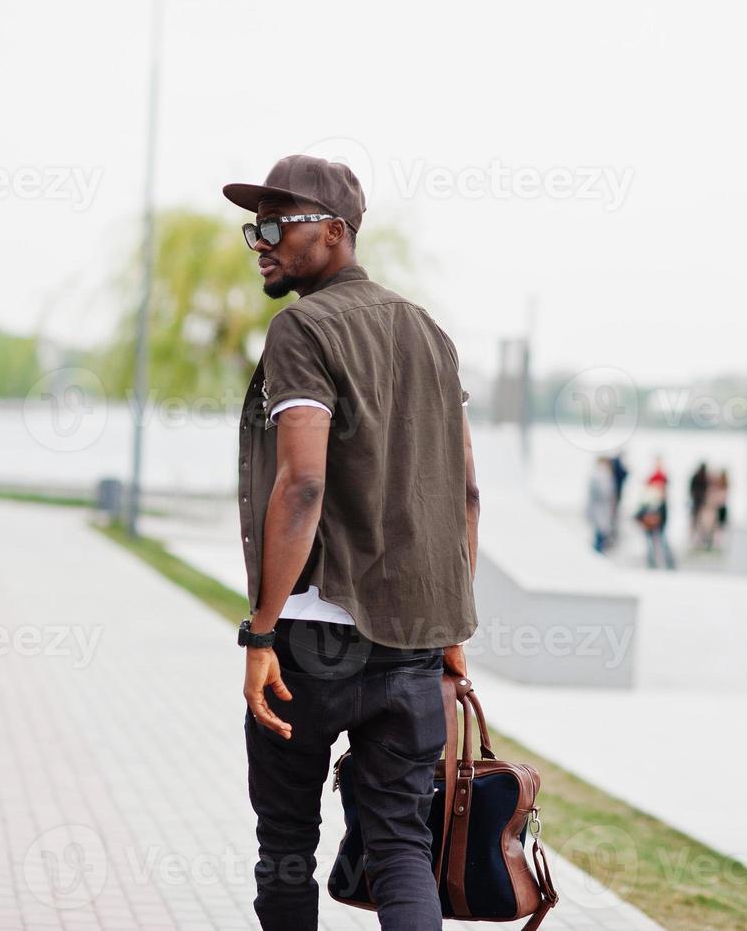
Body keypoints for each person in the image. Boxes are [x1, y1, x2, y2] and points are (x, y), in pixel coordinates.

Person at [226, 155, 478, 931]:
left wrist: (260, 633)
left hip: (313, 637)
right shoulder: (428, 331)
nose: (260, 242)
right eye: (252, 227)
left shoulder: (302, 327)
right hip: (410, 640)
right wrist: (452, 633)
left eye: (277, 224)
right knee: (402, 844)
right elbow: (464, 492)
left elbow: (301, 484)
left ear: (335, 232)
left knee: (287, 844)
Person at [634, 456, 676, 569]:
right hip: (651, 517)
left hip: (659, 516)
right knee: (653, 541)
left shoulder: (662, 479)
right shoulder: (652, 484)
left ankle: (667, 563)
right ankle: (654, 562)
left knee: (661, 540)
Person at [587, 456, 616, 553]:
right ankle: (597, 553)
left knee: (602, 533)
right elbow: (602, 493)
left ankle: (599, 551)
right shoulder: (597, 476)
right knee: (598, 533)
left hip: (604, 509)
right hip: (598, 509)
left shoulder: (606, 475)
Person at [688, 461, 710, 549]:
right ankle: (697, 540)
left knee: (697, 522)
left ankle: (698, 540)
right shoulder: (703, 478)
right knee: (698, 522)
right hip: (699, 503)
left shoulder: (697, 477)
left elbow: (691, 490)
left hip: (698, 502)